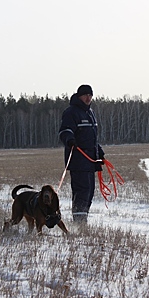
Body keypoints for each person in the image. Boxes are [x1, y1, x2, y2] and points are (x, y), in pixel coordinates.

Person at [58, 84, 105, 223]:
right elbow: (64, 131)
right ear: (79, 96)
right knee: (82, 191)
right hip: (78, 160)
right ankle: (79, 222)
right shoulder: (71, 112)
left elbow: (92, 138)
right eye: (85, 95)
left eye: (90, 95)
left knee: (89, 192)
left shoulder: (90, 113)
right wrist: (70, 139)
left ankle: (83, 219)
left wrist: (100, 153)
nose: (88, 98)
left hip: (90, 161)